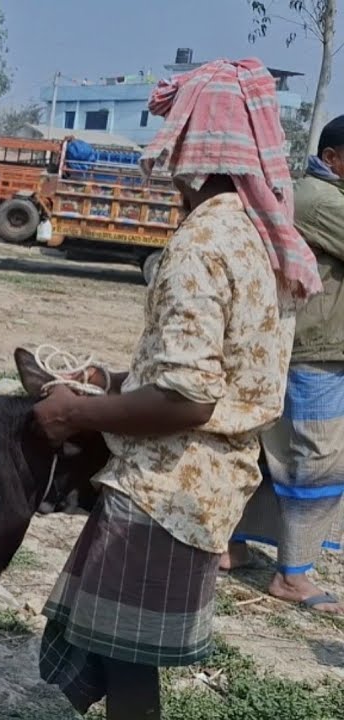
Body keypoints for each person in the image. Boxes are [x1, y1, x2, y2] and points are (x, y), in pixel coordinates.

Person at [30, 59, 323, 720]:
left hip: (165, 489)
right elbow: (216, 371)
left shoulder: (200, 244)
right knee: (119, 655)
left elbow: (186, 400)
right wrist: (113, 382)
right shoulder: (263, 239)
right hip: (213, 486)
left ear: (194, 147)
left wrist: (76, 410)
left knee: (126, 667)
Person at [224, 113, 344, 615]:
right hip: (314, 353)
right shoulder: (322, 199)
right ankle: (294, 575)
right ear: (334, 158)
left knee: (267, 454)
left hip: (306, 347)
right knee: (312, 459)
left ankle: (228, 546)